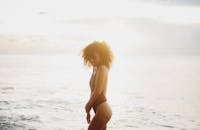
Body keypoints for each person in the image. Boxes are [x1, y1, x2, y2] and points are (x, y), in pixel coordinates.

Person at [82, 41, 113, 130]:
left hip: (103, 110)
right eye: (90, 58)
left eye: (94, 57)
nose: (92, 60)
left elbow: (97, 91)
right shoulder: (96, 69)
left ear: (101, 56)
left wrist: (88, 105)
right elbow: (93, 91)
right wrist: (89, 111)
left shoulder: (102, 68)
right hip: (99, 110)